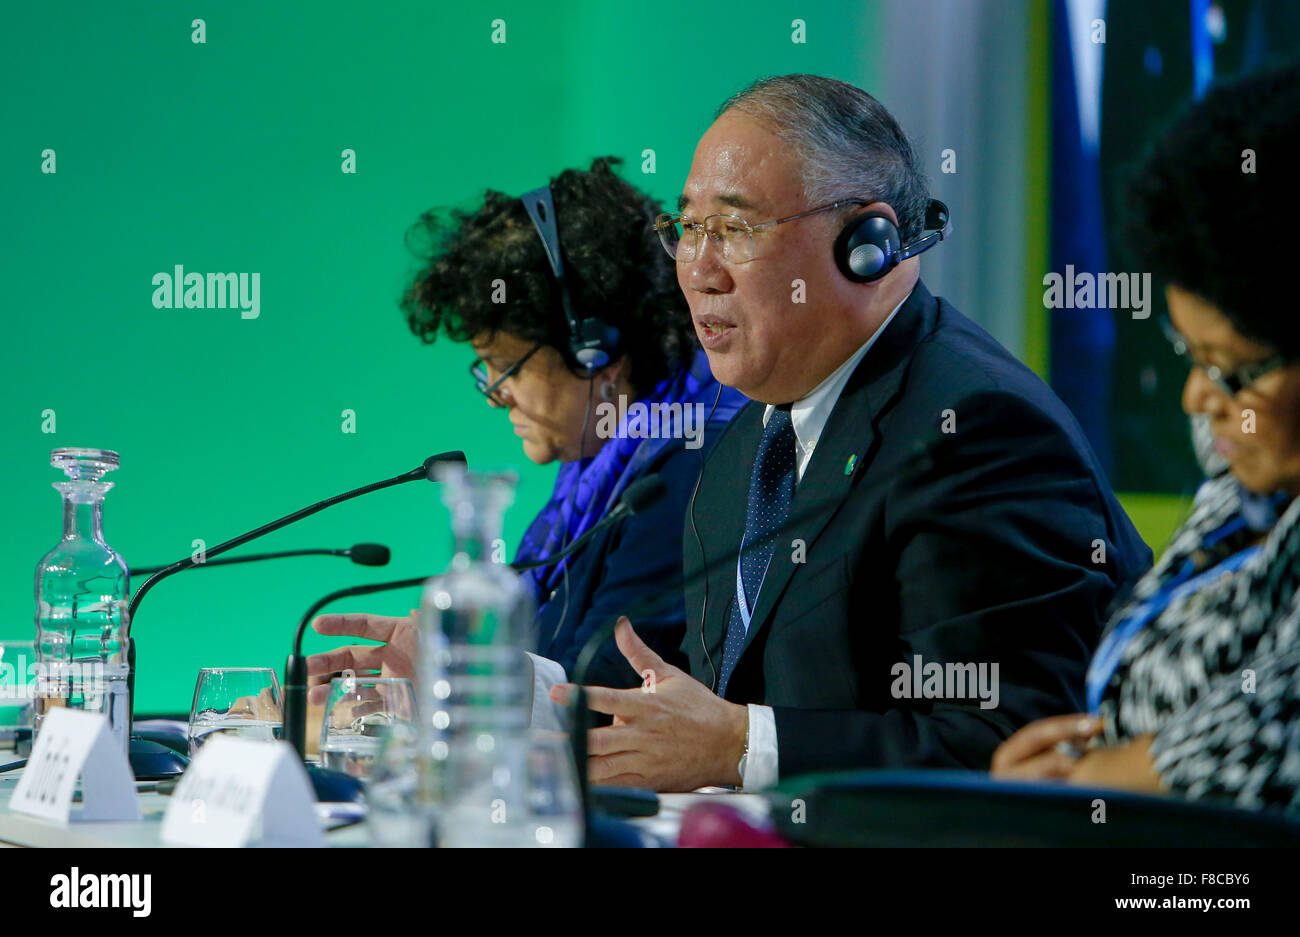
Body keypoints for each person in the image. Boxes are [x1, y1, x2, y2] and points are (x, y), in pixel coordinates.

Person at [547, 74, 1152, 792]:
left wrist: (746, 748)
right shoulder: (746, 441)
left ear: (867, 244)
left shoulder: (976, 431)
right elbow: (693, 702)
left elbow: (1004, 747)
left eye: (735, 229)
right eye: (686, 228)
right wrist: (500, 684)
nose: (698, 269)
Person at [306, 157, 745, 699]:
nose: (493, 395)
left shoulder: (688, 478)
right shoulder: (593, 486)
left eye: (504, 366)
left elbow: (603, 695)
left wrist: (447, 684)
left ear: (595, 349)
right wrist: (408, 690)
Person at [992, 62, 1300, 813]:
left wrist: (1088, 784)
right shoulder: (1246, 483)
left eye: (1232, 369)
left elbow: (1276, 740)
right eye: (1189, 355)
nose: (1200, 397)